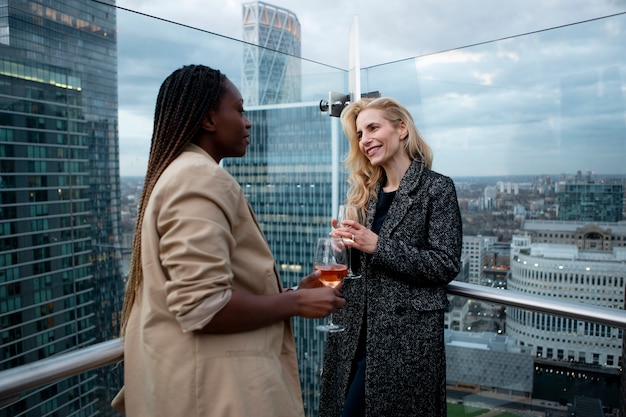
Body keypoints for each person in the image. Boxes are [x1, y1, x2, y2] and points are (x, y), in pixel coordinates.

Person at [111, 64, 346, 417]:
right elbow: (202, 306)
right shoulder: (199, 177)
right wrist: (295, 304)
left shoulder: (180, 172)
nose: (247, 122)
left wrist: (290, 294)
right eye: (239, 110)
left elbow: (207, 288)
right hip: (217, 393)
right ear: (208, 119)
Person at [319, 97, 462, 417]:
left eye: (373, 127)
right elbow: (363, 264)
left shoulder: (436, 188)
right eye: (359, 134)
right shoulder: (364, 191)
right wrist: (345, 248)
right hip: (354, 329)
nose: (365, 139)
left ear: (401, 129)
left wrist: (377, 245)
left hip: (403, 341)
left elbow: (446, 263)